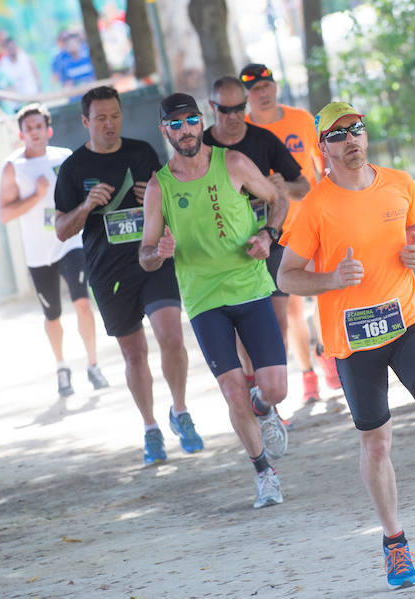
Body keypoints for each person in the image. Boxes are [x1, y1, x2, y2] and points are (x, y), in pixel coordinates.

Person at [277, 101, 415, 589]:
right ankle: (395, 544)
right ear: (323, 147)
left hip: (407, 321)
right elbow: (288, 276)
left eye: (357, 129)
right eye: (338, 134)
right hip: (353, 340)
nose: (351, 139)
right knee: (377, 444)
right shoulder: (316, 207)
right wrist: (330, 278)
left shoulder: (398, 182)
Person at [140, 93, 289, 509]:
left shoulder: (233, 163)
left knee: (274, 388)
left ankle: (265, 408)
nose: (185, 130)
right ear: (164, 130)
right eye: (176, 124)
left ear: (200, 121)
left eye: (191, 121)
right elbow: (145, 254)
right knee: (232, 392)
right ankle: (264, 473)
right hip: (205, 300)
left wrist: (267, 235)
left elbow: (277, 198)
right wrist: (158, 254)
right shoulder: (159, 186)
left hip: (250, 287)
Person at [54, 86, 202, 465]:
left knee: (171, 335)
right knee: (134, 353)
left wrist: (152, 198)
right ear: (85, 121)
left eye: (115, 115)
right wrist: (87, 205)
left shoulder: (142, 152)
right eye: (100, 118)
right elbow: (61, 229)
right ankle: (151, 428)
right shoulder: (74, 168)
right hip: (109, 272)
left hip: (152, 257)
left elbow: (169, 202)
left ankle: (181, 411)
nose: (109, 124)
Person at [202, 76, 309, 421]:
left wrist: (284, 185)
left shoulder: (263, 139)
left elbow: (303, 186)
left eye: (238, 109)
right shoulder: (200, 146)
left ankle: (268, 399)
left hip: (270, 237)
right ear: (211, 107)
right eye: (225, 109)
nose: (233, 116)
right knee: (243, 328)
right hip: (226, 250)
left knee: (278, 320)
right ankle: (255, 391)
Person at [240, 62, 340, 401]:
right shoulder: (243, 128)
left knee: (325, 293)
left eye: (266, 86)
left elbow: (324, 163)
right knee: (293, 307)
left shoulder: (300, 119)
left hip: (311, 221)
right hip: (273, 230)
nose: (263, 93)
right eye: (255, 90)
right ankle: (308, 372)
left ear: (275, 86)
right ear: (246, 96)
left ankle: (328, 354)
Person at [0, 103, 109, 396]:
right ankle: (62, 367)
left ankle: (93, 365)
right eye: (28, 128)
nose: (34, 133)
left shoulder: (66, 158)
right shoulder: (13, 166)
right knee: (53, 316)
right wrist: (35, 195)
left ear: (48, 130)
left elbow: (84, 193)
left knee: (83, 303)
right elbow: (5, 214)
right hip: (38, 252)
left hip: (70, 242)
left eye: (38, 127)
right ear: (21, 134)